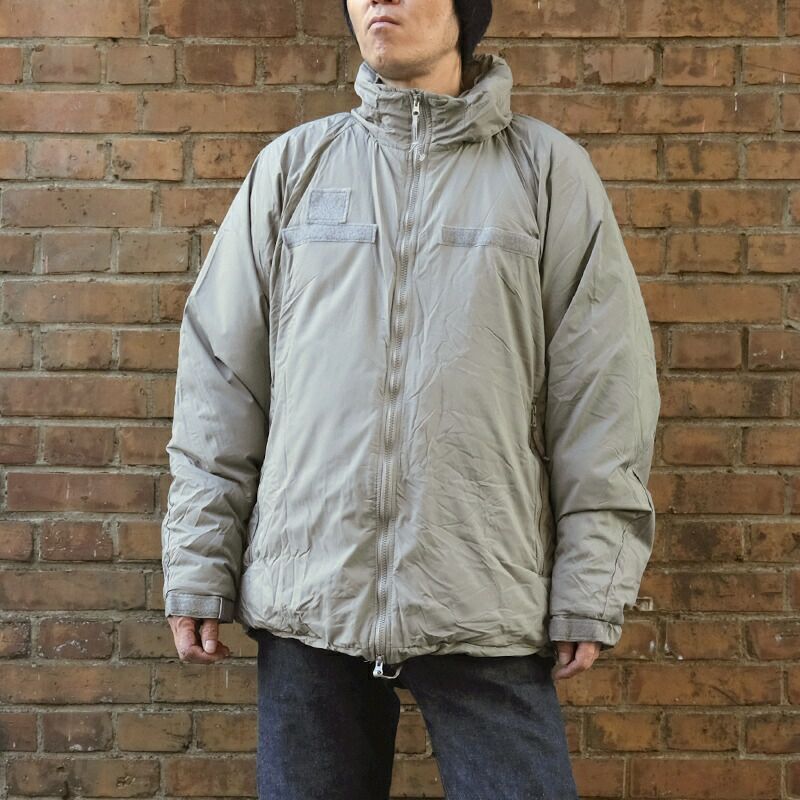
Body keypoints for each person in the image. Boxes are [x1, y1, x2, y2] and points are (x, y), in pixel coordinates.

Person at [161, 0, 660, 797]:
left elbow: (605, 391)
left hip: (485, 591)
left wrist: (591, 582)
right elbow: (222, 382)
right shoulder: (294, 169)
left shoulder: (545, 174)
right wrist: (198, 561)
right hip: (311, 595)